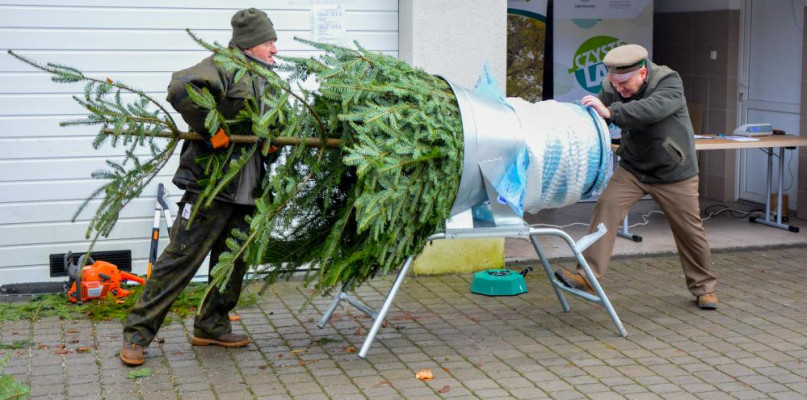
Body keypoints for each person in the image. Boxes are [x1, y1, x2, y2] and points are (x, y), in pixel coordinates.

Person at [120, 8, 279, 366]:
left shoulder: (266, 77)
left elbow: (272, 119)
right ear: (251, 42)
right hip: (211, 187)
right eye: (269, 41)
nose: (275, 49)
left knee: (232, 261)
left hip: (249, 188)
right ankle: (137, 334)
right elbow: (181, 87)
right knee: (180, 259)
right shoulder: (222, 65)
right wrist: (212, 128)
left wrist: (273, 141)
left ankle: (211, 325)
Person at [554, 44, 718, 310]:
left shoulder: (668, 82)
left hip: (673, 172)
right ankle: (586, 275)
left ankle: (704, 288)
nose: (618, 89)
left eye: (624, 83)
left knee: (690, 231)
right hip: (633, 169)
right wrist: (567, 125)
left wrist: (611, 112)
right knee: (606, 208)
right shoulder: (612, 86)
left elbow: (650, 110)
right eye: (613, 82)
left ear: (643, 73)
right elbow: (598, 118)